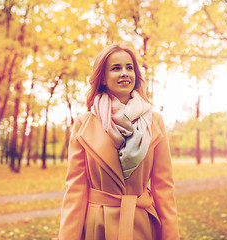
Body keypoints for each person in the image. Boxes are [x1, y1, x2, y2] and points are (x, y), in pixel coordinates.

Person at [59, 44, 179, 240]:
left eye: (129, 67)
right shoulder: (84, 123)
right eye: (116, 68)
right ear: (103, 78)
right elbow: (75, 190)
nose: (125, 73)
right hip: (98, 227)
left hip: (141, 225)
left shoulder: (154, 121)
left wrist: (170, 235)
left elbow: (164, 187)